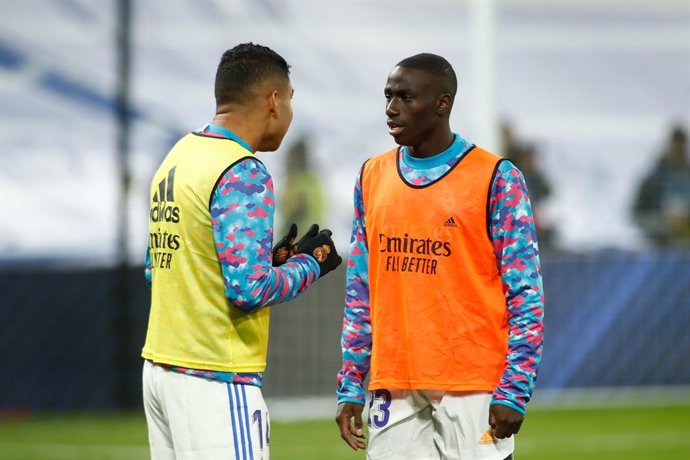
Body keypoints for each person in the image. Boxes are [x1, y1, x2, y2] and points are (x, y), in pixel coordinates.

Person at [335, 53, 544, 460]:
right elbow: (361, 290)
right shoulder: (371, 176)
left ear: (442, 104)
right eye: (388, 96)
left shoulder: (496, 178)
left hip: (474, 388)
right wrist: (350, 382)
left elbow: (526, 294)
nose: (391, 109)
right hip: (394, 383)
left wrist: (515, 388)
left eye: (406, 98)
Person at [141, 43, 342, 460]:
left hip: (161, 369)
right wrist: (310, 264)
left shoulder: (179, 156)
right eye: (289, 100)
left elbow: (157, 267)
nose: (288, 112)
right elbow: (248, 291)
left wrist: (265, 260)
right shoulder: (241, 170)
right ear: (273, 100)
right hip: (215, 377)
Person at [633, 124, 690, 247]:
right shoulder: (652, 181)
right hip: (659, 251)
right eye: (675, 147)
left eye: (682, 147)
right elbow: (637, 216)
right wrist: (663, 224)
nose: (679, 151)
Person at [279, 136, 326, 235]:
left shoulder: (310, 180)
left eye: (294, 158)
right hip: (289, 237)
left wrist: (301, 204)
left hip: (306, 237)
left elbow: (317, 210)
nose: (290, 162)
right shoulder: (290, 180)